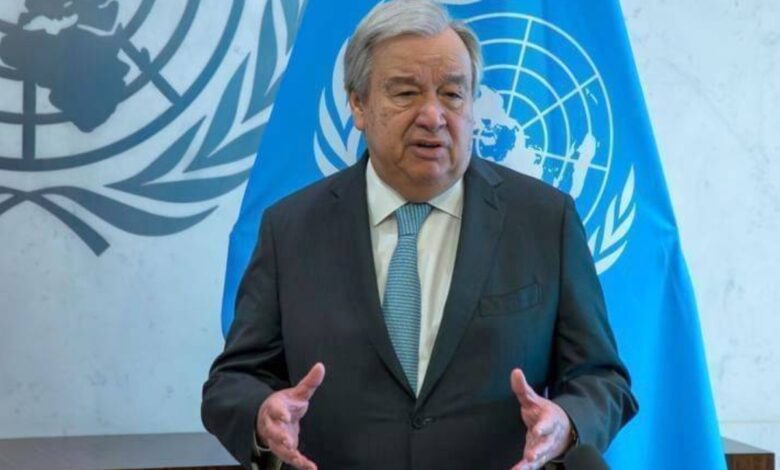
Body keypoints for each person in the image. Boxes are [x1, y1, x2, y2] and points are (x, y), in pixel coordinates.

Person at [202, 1, 638, 469]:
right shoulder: (290, 229)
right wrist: (261, 417)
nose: (433, 115)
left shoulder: (546, 221)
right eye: (406, 93)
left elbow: (601, 378)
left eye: (452, 94)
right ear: (358, 104)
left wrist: (567, 422)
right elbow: (235, 380)